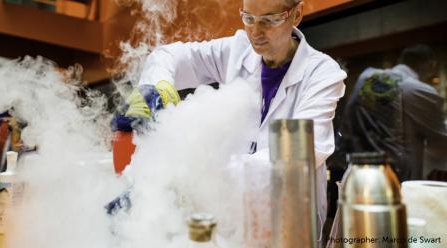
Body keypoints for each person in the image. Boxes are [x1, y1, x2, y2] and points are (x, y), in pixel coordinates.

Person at [117, 0, 347, 241]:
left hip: (288, 222)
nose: (255, 32)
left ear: (296, 14)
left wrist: (194, 171)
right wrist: (156, 87)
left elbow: (301, 154)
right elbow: (168, 56)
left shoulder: (322, 73)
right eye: (248, 18)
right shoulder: (237, 49)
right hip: (230, 220)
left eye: (268, 20)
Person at [340, 44, 447, 182]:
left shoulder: (367, 77)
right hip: (399, 181)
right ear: (431, 65)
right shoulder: (419, 90)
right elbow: (440, 145)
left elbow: (348, 125)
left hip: (358, 172)